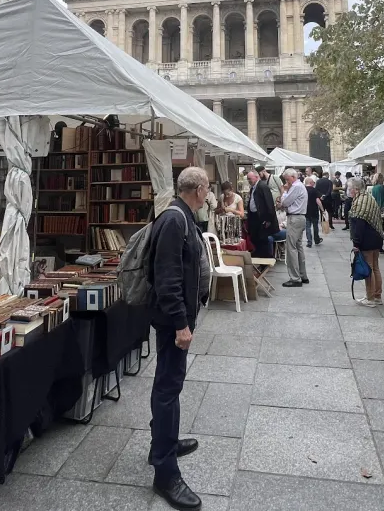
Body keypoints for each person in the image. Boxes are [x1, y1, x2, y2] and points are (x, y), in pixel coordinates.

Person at [147, 166, 212, 510]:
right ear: (199, 189)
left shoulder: (181, 215)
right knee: (168, 389)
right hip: (174, 322)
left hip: (179, 318)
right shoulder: (175, 220)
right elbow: (167, 278)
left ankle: (165, 443)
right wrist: (180, 325)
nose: (208, 195)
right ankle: (165, 472)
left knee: (170, 384)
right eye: (207, 189)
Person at [348, 177, 384, 306]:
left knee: (368, 268)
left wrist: (356, 243)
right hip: (376, 236)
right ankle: (377, 295)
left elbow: (359, 224)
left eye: (349, 188)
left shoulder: (360, 202)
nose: (348, 190)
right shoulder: (369, 197)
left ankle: (370, 298)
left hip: (367, 239)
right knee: (375, 267)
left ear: (356, 189)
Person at [278, 168, 309, 287]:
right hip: (299, 217)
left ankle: (295, 278)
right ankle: (302, 275)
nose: (287, 182)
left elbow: (285, 202)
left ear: (293, 177)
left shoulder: (296, 187)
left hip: (295, 218)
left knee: (291, 248)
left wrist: (284, 191)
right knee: (298, 246)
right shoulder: (300, 186)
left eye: (287, 179)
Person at [245, 170, 276, 259]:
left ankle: (265, 258)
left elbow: (269, 203)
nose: (249, 181)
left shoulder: (262, 186)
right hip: (254, 216)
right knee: (254, 237)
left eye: (250, 179)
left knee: (262, 239)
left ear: (256, 177)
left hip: (261, 217)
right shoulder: (253, 187)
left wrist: (268, 219)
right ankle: (259, 256)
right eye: (248, 179)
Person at [304, 175, 323, 248]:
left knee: (307, 227)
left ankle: (309, 242)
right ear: (310, 182)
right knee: (315, 226)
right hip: (314, 211)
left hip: (306, 211)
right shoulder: (314, 190)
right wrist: (322, 209)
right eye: (313, 182)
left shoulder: (303, 190)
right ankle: (317, 239)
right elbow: (318, 200)